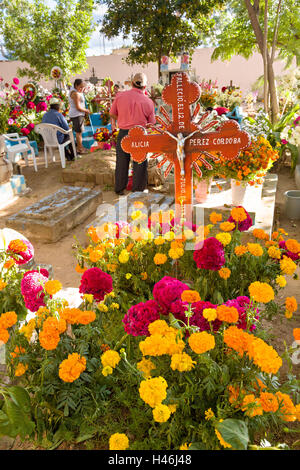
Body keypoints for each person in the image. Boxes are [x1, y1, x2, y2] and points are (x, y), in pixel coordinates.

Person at [109, 72, 156, 195]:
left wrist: (122, 119)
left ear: (132, 83)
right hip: (139, 134)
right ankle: (138, 190)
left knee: (121, 162)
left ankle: (119, 188)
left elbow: (112, 113)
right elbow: (151, 124)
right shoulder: (148, 102)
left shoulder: (120, 96)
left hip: (123, 133)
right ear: (144, 87)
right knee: (140, 162)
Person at [42, 97, 75, 161]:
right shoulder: (58, 115)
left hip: (47, 140)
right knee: (69, 136)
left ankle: (67, 155)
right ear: (57, 106)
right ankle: (73, 155)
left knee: (62, 135)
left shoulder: (45, 115)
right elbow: (66, 128)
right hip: (58, 140)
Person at [68, 78, 90, 154]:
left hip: (77, 114)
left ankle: (80, 147)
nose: (82, 89)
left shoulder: (75, 91)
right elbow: (78, 107)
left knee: (79, 132)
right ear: (76, 85)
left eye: (83, 87)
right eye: (80, 87)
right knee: (78, 132)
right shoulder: (75, 94)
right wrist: (86, 111)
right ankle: (80, 149)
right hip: (77, 114)